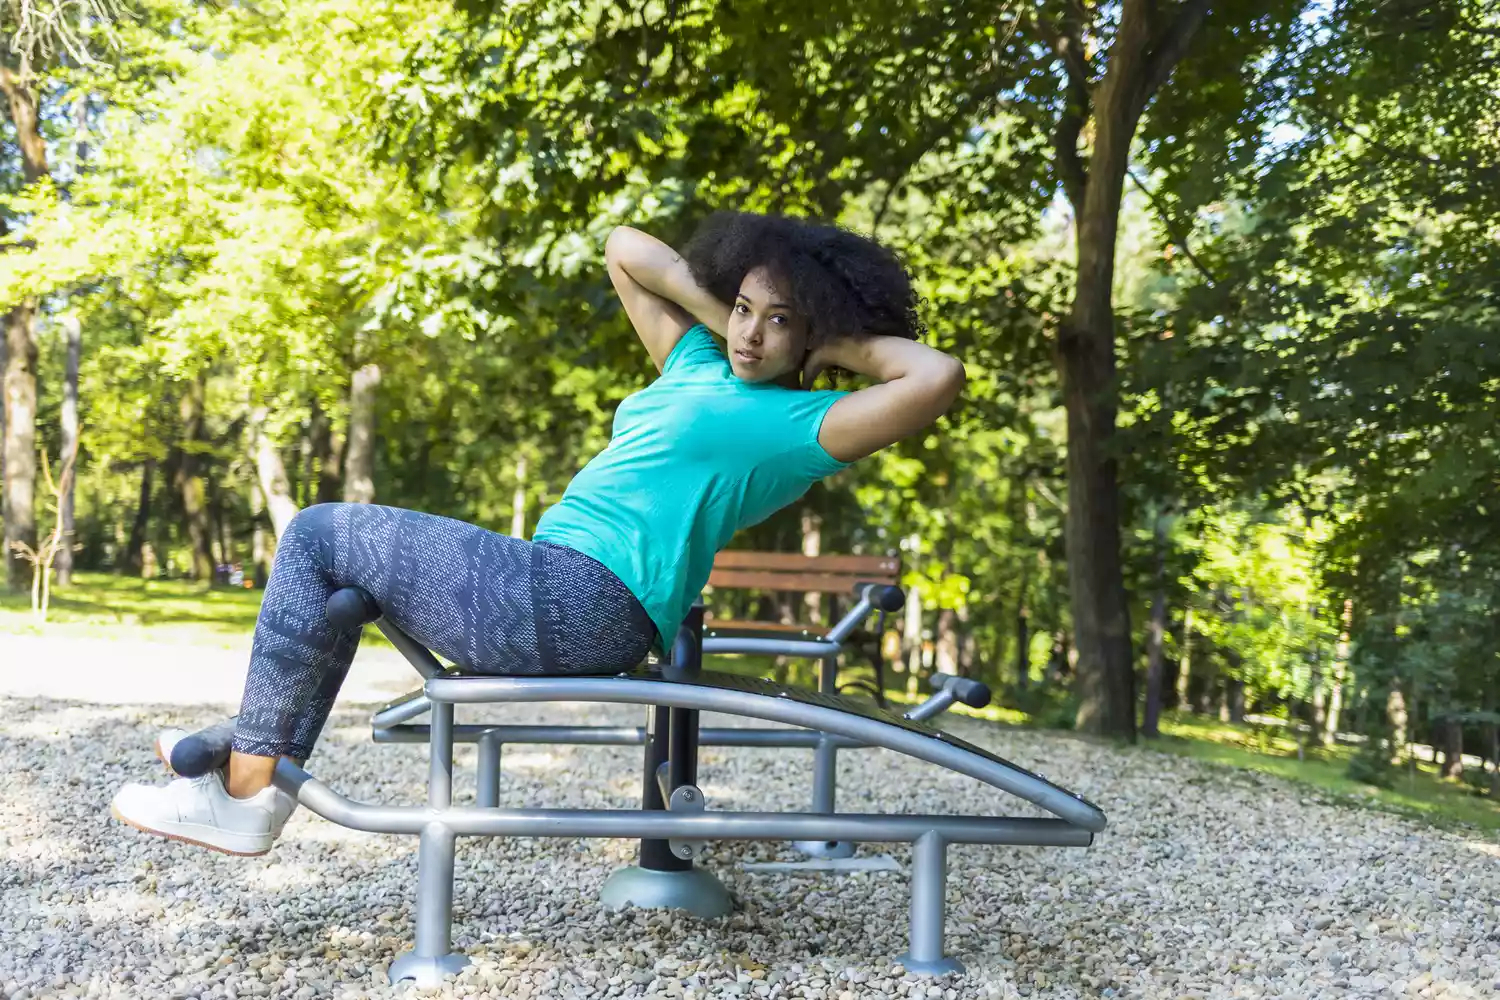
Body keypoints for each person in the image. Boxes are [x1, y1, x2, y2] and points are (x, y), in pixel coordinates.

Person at [110, 210, 966, 856]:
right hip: (551, 578)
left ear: (812, 332)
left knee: (316, 534)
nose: (750, 331)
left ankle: (245, 792)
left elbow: (935, 376)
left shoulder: (799, 426)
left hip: (586, 600)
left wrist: (826, 341)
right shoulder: (699, 359)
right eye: (743, 308)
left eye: (777, 321)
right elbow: (626, 247)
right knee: (337, 573)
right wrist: (749, 308)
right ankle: (253, 755)